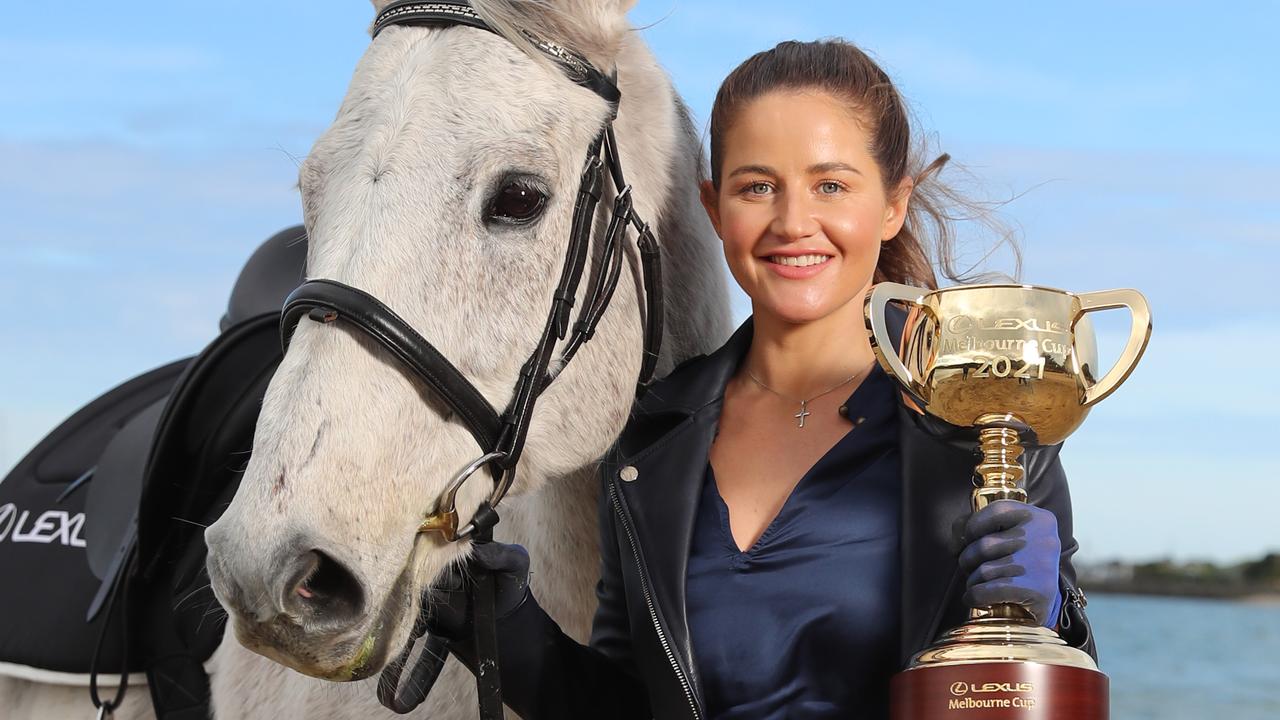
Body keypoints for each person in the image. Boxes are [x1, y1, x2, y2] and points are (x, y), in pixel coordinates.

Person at [428, 39, 1095, 719]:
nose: (793, 222)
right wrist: (507, 629)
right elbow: (627, 707)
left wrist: (1053, 617)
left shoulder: (978, 426)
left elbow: (1053, 686)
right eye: (757, 187)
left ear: (893, 204)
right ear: (715, 209)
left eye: (830, 184)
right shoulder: (649, 441)